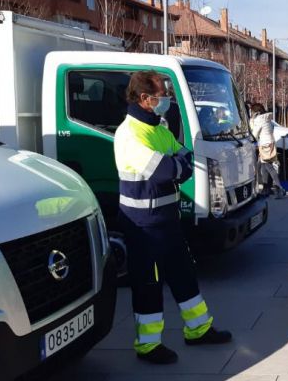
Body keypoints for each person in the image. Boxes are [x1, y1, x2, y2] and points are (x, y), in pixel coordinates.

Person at [114, 71, 231, 365]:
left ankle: (199, 329)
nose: (166, 98)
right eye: (162, 94)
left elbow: (185, 160)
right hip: (143, 225)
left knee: (183, 274)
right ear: (144, 98)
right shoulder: (130, 134)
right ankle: (148, 346)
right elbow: (168, 171)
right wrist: (175, 165)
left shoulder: (158, 128)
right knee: (149, 285)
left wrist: (175, 164)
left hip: (166, 220)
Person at [250, 103, 286, 199]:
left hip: (265, 145)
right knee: (263, 167)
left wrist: (252, 121)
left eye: (252, 112)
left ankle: (279, 188)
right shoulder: (267, 119)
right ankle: (266, 189)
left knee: (268, 166)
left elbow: (254, 134)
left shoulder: (259, 120)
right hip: (269, 143)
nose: (251, 113)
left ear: (256, 113)